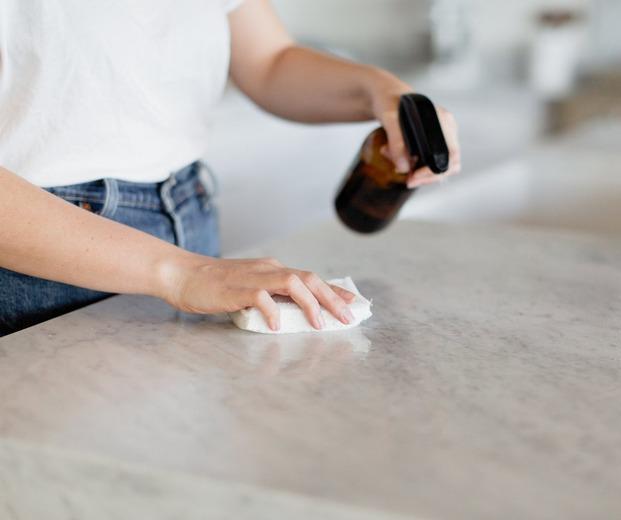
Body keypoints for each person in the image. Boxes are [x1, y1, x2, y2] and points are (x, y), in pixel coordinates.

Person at [0, 0, 462, 336]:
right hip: (41, 253)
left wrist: (380, 92)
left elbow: (268, 61)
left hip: (189, 219)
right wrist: (183, 274)